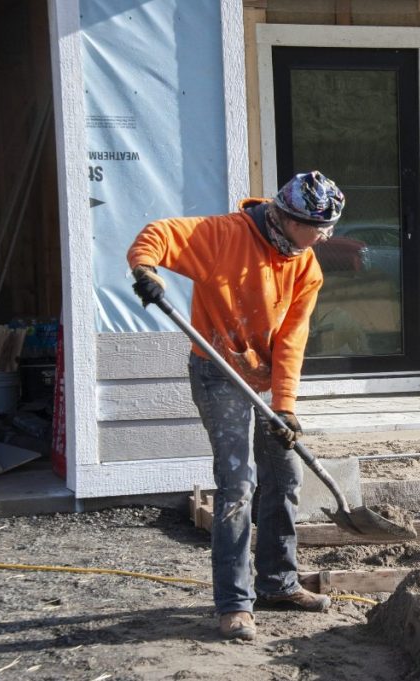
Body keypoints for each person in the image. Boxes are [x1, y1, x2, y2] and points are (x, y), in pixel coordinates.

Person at [126, 171, 345, 641]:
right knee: (237, 484)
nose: (326, 236)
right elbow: (158, 235)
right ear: (289, 219)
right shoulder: (224, 236)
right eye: (319, 227)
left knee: (285, 474)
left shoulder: (306, 266)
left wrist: (285, 407)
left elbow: (291, 340)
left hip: (263, 375)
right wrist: (146, 269)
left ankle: (278, 583)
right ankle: (233, 603)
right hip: (217, 370)